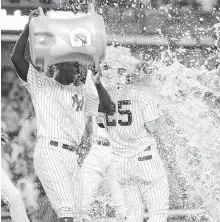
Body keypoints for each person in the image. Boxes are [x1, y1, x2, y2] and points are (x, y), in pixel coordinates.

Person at [11, 9, 113, 222]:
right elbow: (17, 57)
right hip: (50, 151)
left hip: (71, 156)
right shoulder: (41, 84)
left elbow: (108, 109)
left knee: (77, 214)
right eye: (75, 64)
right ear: (59, 65)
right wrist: (29, 26)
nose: (79, 69)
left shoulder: (82, 90)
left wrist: (97, 82)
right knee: (66, 213)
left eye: (79, 65)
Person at [99, 61, 169, 222]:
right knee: (158, 211)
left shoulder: (107, 93)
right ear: (134, 75)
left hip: (121, 163)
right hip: (144, 160)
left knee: (133, 215)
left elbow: (101, 123)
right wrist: (160, 111)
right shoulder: (143, 94)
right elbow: (153, 127)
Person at [81, 114, 127, 221]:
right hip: (96, 148)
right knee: (81, 202)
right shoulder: (94, 97)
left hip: (118, 150)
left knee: (121, 206)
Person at [1, 133, 30, 222]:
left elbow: (20, 172)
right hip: (11, 179)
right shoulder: (4, 156)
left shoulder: (17, 154)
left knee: (15, 196)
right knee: (15, 196)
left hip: (16, 181)